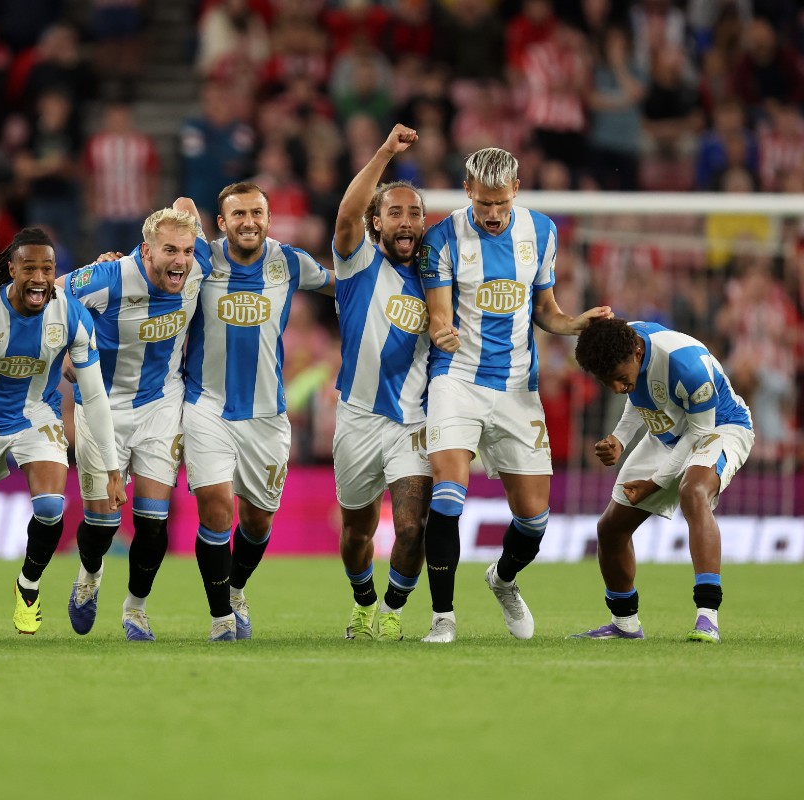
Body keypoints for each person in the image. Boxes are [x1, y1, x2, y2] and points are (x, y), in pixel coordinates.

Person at [419, 146, 611, 643]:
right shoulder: (441, 238)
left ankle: (502, 579)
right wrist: (441, 333)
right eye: (484, 204)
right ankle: (443, 616)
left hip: (516, 387)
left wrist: (575, 324)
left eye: (501, 203)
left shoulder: (541, 232)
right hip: (456, 378)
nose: (494, 214)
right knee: (447, 493)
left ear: (516, 191)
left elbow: (545, 310)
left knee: (534, 517)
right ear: (467, 192)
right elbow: (439, 313)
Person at [0, 227, 126, 640]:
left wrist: (113, 470)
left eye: (48, 268)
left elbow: (94, 397)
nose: (40, 278)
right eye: (30, 268)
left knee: (50, 507)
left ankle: (28, 586)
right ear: (11, 270)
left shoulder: (70, 314)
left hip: (34, 414)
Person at [177, 183, 335, 642]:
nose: (249, 221)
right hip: (206, 405)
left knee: (258, 520)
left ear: (268, 218)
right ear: (222, 223)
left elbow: (342, 287)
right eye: (239, 214)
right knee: (216, 510)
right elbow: (158, 259)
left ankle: (237, 587)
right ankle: (221, 617)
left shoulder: (289, 262)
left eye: (257, 213)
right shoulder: (201, 259)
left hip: (267, 414)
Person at [61, 208, 208, 641]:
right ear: (146, 251)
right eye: (169, 251)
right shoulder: (106, 278)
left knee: (152, 521)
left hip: (161, 405)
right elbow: (42, 297)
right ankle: (89, 573)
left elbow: (185, 205)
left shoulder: (198, 271)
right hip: (100, 406)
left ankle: (136, 609)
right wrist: (67, 349)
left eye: (186, 250)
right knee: (103, 525)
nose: (180, 261)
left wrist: (187, 225)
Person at [571, 318, 753, 643]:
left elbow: (699, 431)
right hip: (668, 431)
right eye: (607, 381)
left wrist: (655, 482)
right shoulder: (627, 343)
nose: (616, 387)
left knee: (693, 492)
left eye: (619, 378)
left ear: (638, 354)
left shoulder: (687, 365)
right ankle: (624, 623)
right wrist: (619, 439)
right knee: (610, 529)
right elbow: (636, 394)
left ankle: (707, 617)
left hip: (719, 426)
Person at [331, 124, 433, 642]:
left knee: (413, 526)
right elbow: (346, 214)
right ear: (377, 223)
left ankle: (393, 611)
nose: (406, 220)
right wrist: (386, 152)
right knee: (357, 533)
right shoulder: (358, 262)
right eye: (394, 211)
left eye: (415, 212)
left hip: (412, 422)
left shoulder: (438, 281)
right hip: (356, 419)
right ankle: (364, 601)